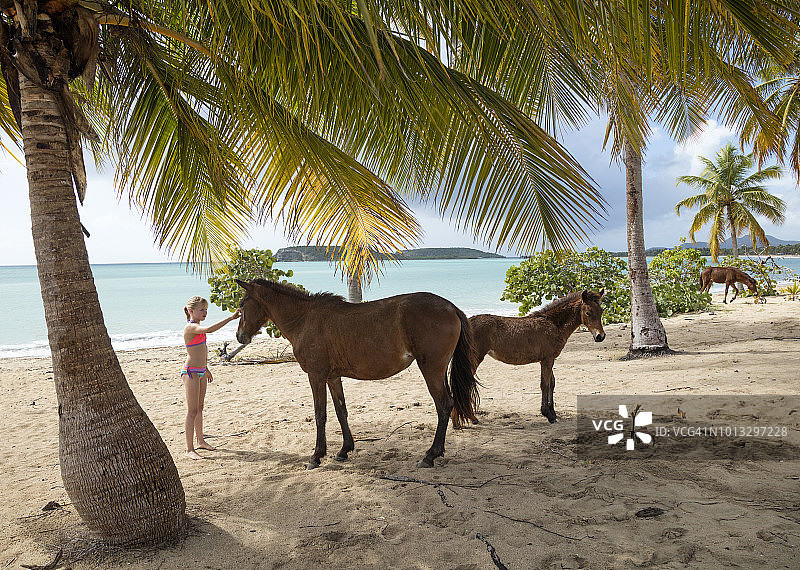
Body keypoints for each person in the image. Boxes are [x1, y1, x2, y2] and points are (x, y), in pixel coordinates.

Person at [182, 296, 240, 460]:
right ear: (191, 311)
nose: (205, 312)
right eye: (202, 310)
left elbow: (200, 350)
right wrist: (231, 317)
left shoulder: (197, 326)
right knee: (192, 411)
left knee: (200, 408)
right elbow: (210, 330)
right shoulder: (190, 328)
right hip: (191, 372)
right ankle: (189, 449)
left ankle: (200, 441)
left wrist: (206, 369)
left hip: (201, 371)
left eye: (206, 309)